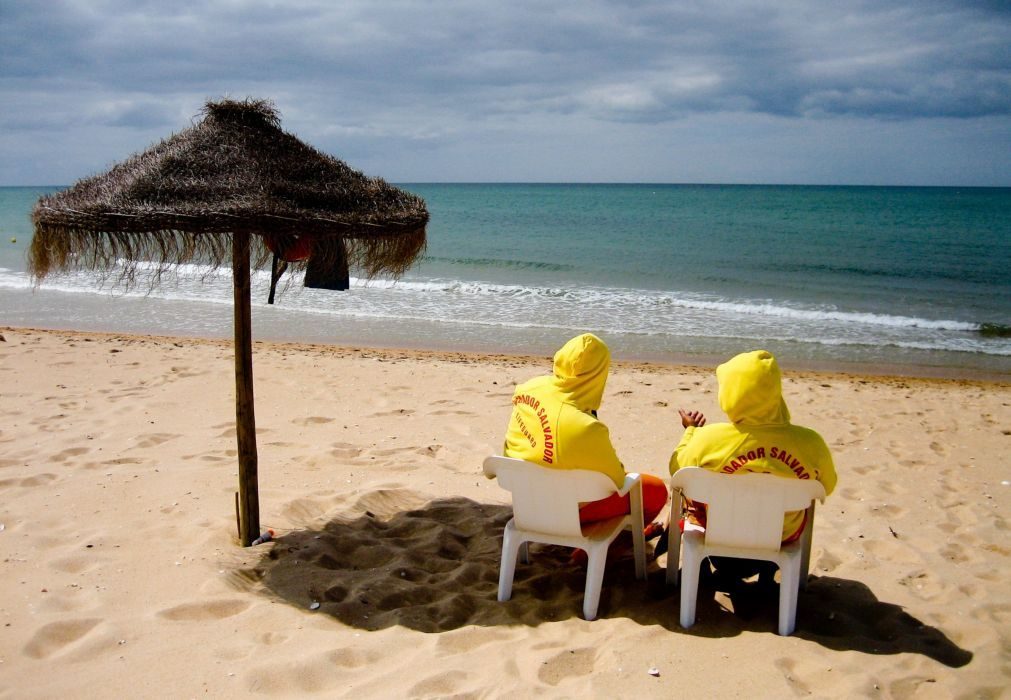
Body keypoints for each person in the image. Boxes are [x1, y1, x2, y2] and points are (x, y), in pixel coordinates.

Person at [503, 333, 669, 542]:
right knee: (655, 490)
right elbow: (617, 481)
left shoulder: (527, 389)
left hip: (527, 500)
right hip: (566, 510)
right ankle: (609, 547)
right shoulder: (587, 427)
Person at [670, 349, 837, 544]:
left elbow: (677, 470)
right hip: (782, 539)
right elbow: (828, 487)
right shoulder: (811, 442)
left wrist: (691, 431)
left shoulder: (708, 438)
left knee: (691, 493)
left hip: (718, 533)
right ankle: (771, 570)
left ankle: (699, 566)